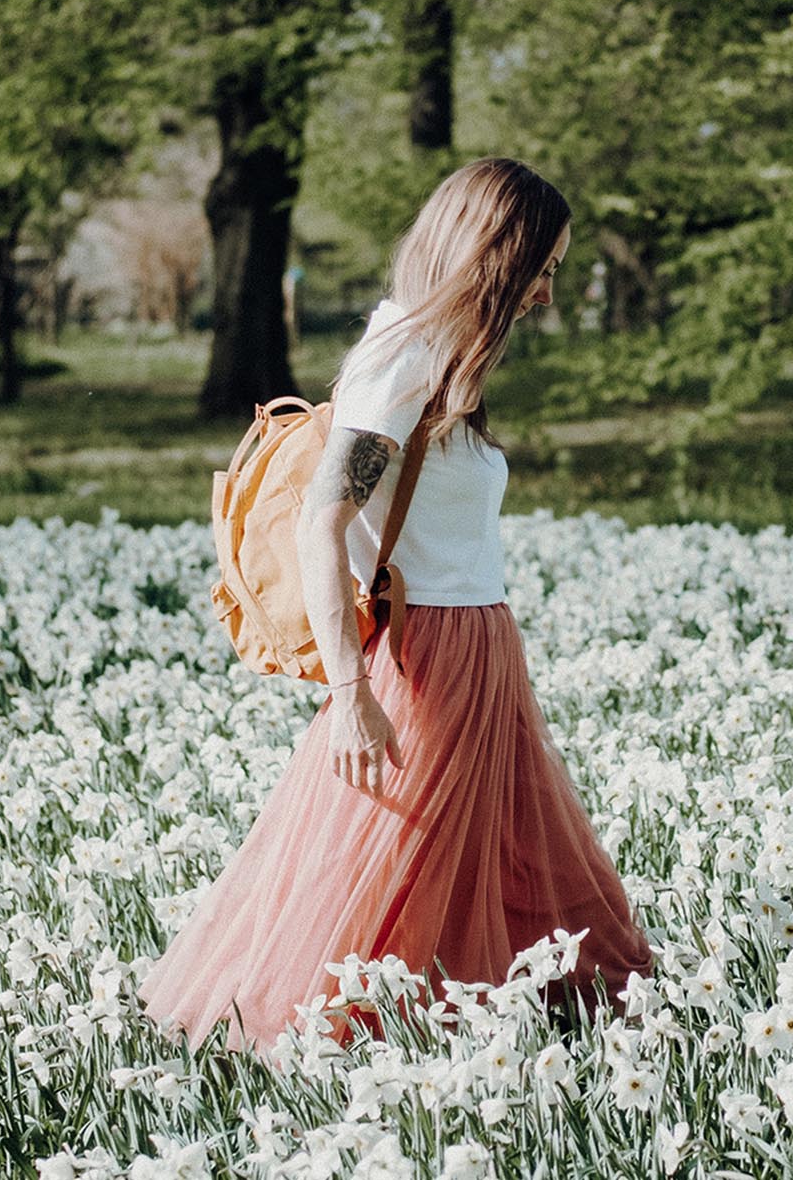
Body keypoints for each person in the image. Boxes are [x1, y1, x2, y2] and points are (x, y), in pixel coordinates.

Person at [138, 156, 655, 1056]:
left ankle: (489, 1022)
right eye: (544, 267)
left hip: (480, 645)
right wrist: (350, 693)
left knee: (480, 855)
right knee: (397, 870)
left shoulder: (442, 360)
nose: (545, 294)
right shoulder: (402, 356)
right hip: (429, 656)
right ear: (497, 254)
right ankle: (353, 1046)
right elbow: (320, 527)